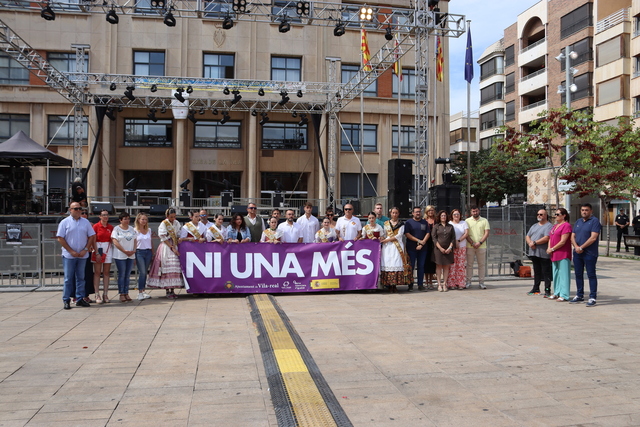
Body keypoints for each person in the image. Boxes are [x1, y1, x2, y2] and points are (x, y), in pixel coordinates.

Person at [56, 202, 96, 309]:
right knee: (68, 278)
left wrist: (86, 249)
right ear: (70, 210)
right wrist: (70, 251)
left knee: (81, 278)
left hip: (82, 254)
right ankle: (66, 299)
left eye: (80, 209)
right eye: (76, 209)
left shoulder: (85, 222)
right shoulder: (65, 222)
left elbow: (92, 236)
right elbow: (60, 238)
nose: (79, 211)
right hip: (69, 255)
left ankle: (80, 298)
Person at [570, 203, 602, 307]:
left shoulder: (595, 221)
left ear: (591, 211)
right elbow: (572, 236)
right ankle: (579, 295)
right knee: (578, 274)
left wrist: (582, 247)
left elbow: (593, 237)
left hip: (589, 253)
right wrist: (576, 247)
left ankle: (592, 297)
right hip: (577, 252)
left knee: (591, 274)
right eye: (583, 210)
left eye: (586, 210)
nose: (584, 212)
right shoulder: (578, 222)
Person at [148, 208, 183, 299]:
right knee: (166, 266)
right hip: (166, 246)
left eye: (174, 217)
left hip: (174, 244)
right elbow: (163, 237)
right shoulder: (164, 223)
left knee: (174, 267)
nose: (173, 218)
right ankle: (167, 290)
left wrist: (178, 239)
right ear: (167, 216)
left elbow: (178, 233)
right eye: (171, 217)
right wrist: (171, 247)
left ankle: (173, 289)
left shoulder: (176, 223)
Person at [525, 209, 553, 297]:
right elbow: (527, 236)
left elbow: (547, 237)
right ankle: (536, 288)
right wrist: (530, 242)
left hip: (543, 253)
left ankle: (547, 290)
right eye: (538, 214)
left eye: (541, 214)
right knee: (536, 271)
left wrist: (535, 242)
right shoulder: (534, 226)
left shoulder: (549, 226)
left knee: (546, 272)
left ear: (545, 215)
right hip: (534, 252)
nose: (539, 216)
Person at [380, 207, 408, 293]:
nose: (394, 214)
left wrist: (387, 240)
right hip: (388, 247)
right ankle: (389, 285)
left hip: (397, 246)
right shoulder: (386, 223)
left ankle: (395, 285)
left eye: (396, 213)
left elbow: (399, 235)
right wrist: (382, 238)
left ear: (398, 214)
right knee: (388, 263)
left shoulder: (401, 224)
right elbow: (384, 233)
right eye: (393, 213)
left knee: (396, 263)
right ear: (390, 213)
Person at [111, 212, 137, 303]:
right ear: (120, 220)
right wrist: (124, 251)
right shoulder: (116, 229)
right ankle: (121, 293)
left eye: (128, 219)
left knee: (128, 274)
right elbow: (115, 241)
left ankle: (126, 292)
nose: (127, 221)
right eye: (125, 219)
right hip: (120, 255)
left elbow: (135, 240)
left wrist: (133, 250)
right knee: (122, 274)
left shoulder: (131, 229)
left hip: (130, 255)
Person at [547, 208, 572, 302]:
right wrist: (549, 248)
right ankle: (556, 292)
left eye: (558, 214)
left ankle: (564, 294)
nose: (556, 216)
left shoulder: (566, 226)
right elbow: (550, 238)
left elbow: (563, 241)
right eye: (555, 214)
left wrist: (553, 248)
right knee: (556, 273)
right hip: (554, 253)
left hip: (563, 253)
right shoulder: (555, 226)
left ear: (564, 215)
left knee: (564, 274)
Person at [404, 206, 430, 292]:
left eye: (419, 211)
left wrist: (422, 243)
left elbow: (428, 233)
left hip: (423, 248)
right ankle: (410, 285)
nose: (418, 213)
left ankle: (420, 284)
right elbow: (407, 234)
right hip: (411, 248)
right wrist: (418, 240)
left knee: (421, 266)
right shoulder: (408, 222)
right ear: (413, 213)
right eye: (416, 212)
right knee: (411, 267)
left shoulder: (424, 222)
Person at [465, 205, 490, 289]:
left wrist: (480, 242)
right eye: (473, 211)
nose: (475, 213)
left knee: (481, 264)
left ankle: (481, 282)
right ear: (471, 212)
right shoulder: (467, 221)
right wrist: (472, 243)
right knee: (469, 265)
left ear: (479, 211)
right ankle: (468, 281)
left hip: (481, 246)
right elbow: (466, 234)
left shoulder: (484, 220)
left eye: (476, 211)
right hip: (470, 246)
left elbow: (486, 233)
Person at [92, 209, 113, 304]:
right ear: (100, 216)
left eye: (107, 215)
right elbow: (93, 239)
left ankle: (105, 293)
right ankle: (97, 293)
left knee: (106, 272)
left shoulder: (110, 227)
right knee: (97, 272)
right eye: (103, 215)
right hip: (98, 248)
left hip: (108, 248)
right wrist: (96, 252)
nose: (105, 217)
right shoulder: (96, 226)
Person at [432, 210, 456, 292]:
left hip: (448, 249)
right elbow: (434, 238)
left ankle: (445, 283)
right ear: (439, 217)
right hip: (438, 249)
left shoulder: (450, 226)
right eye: (442, 215)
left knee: (446, 267)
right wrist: (440, 248)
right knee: (439, 266)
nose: (443, 217)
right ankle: (439, 284)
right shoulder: (436, 226)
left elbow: (453, 238)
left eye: (445, 215)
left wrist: (450, 248)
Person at [134, 212, 153, 301]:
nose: (144, 221)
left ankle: (144, 290)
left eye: (145, 219)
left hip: (148, 252)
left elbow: (151, 242)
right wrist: (134, 255)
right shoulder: (135, 230)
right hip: (139, 252)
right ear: (138, 220)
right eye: (142, 219)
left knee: (145, 272)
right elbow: (134, 243)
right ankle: (140, 292)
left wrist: (153, 253)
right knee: (142, 272)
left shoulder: (149, 230)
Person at [449, 209, 469, 290]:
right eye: (454, 214)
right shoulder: (449, 224)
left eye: (457, 214)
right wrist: (453, 242)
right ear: (452, 215)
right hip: (452, 246)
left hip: (462, 246)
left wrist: (459, 240)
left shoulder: (463, 223)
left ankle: (460, 283)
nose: (456, 216)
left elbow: (466, 233)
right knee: (452, 265)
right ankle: (451, 283)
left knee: (460, 265)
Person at [79, 209, 95, 304]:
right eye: (82, 213)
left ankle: (86, 295)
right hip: (77, 252)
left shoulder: (90, 225)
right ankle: (76, 295)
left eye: (86, 213)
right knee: (78, 275)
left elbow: (93, 238)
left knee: (88, 274)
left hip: (87, 251)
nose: (84, 215)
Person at [423, 205, 437, 289]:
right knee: (426, 262)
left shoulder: (437, 221)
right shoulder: (424, 221)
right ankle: (426, 281)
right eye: (429, 210)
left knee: (432, 263)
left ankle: (431, 281)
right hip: (425, 243)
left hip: (434, 244)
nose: (431, 212)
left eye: (432, 210)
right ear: (426, 212)